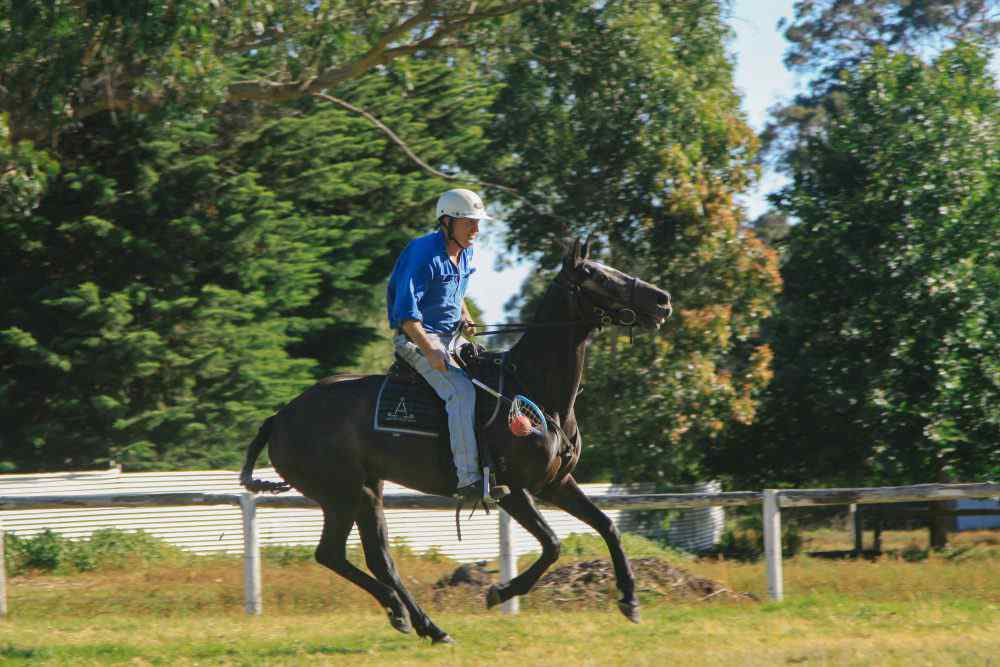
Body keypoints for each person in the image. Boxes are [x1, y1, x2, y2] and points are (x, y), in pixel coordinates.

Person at [386, 188, 491, 503]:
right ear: (446, 221)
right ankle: (469, 480)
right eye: (469, 222)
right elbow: (406, 314)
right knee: (461, 391)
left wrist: (466, 314)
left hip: (452, 338)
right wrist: (430, 349)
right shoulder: (421, 253)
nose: (476, 230)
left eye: (478, 222)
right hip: (417, 339)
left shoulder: (466, 250)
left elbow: (455, 293)